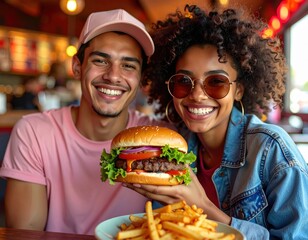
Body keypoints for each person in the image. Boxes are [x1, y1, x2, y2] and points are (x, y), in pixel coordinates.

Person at [124, 5, 308, 239]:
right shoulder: (172, 148)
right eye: (183, 81)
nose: (197, 95)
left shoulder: (272, 151)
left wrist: (204, 207)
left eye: (215, 82)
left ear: (239, 89)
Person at [0, 9, 174, 235]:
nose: (113, 75)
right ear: (77, 67)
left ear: (140, 78)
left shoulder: (161, 137)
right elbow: (26, 233)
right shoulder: (34, 132)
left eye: (128, 65)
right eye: (101, 60)